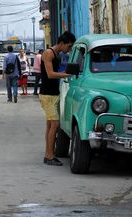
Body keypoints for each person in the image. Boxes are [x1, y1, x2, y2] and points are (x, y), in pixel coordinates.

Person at [40, 31, 76, 166]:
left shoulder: (58, 55)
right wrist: (66, 75)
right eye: (69, 46)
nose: (69, 49)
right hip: (47, 95)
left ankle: (48, 153)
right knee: (55, 125)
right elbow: (50, 74)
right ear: (62, 43)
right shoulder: (49, 53)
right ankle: (49, 156)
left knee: (50, 125)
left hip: (53, 93)